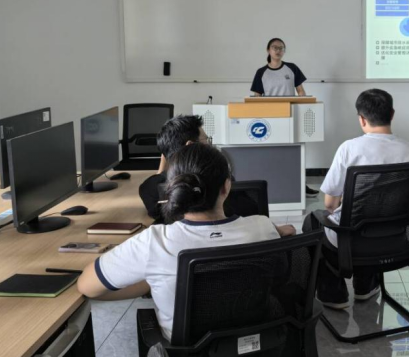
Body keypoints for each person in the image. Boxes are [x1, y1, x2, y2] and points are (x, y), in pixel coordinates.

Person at [78, 144, 295, 341]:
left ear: (173, 189)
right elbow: (285, 238)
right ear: (226, 187)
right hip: (259, 348)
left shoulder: (154, 242)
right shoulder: (262, 227)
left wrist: (153, 281)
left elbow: (87, 287)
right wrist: (277, 230)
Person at [303, 89, 409, 309]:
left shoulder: (349, 149)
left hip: (351, 242)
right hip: (397, 239)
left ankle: (333, 294)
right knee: (378, 214)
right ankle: (366, 285)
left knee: (312, 221)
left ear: (362, 119)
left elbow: (330, 204)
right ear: (392, 114)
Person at [139, 115, 261, 224]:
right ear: (191, 146)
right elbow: (252, 209)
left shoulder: (150, 189)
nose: (209, 145)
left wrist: (164, 164)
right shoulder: (220, 182)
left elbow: (158, 180)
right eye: (206, 140)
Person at [250, 38, 319, 199]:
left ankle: (300, 186)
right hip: (270, 119)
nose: (278, 50)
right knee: (274, 153)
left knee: (296, 152)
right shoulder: (261, 72)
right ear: (268, 50)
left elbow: (301, 92)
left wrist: (302, 108)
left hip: (291, 116)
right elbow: (256, 97)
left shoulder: (291, 68)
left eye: (281, 48)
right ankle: (275, 185)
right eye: (275, 47)